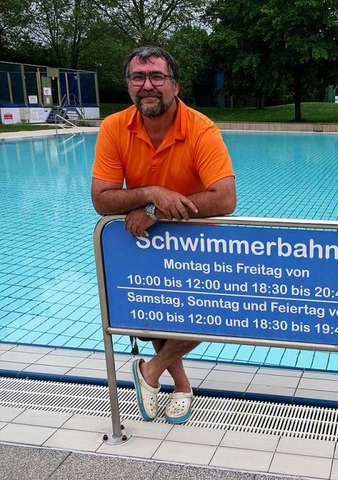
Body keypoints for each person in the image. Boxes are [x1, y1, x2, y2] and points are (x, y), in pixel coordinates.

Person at [91, 46, 236, 424]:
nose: (147, 86)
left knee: (210, 313)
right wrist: (150, 193)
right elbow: (101, 199)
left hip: (196, 240)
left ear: (175, 85)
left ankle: (150, 371)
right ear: (128, 85)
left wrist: (155, 211)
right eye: (138, 78)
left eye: (157, 77)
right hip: (145, 241)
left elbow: (225, 197)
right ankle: (183, 385)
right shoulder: (114, 127)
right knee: (156, 314)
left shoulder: (200, 128)